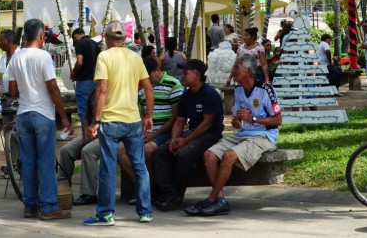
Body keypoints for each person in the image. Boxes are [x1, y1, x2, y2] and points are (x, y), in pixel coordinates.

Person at [184, 53, 282, 216]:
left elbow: (278, 120)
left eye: (236, 68)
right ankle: (220, 201)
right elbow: (237, 121)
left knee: (229, 155)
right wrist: (237, 122)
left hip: (263, 137)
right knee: (209, 154)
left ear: (249, 71)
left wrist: (254, 118)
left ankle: (210, 200)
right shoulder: (238, 91)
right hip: (243, 134)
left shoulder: (266, 90)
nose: (233, 72)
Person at [83, 20, 155, 226]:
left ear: (106, 37)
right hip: (133, 120)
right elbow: (148, 88)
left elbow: (102, 90)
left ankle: (105, 214)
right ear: (123, 39)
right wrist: (148, 116)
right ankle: (145, 211)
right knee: (139, 166)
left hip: (110, 120)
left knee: (107, 167)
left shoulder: (104, 57)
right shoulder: (135, 57)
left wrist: (96, 120)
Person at [7, 19, 74, 220]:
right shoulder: (44, 56)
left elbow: (12, 91)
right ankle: (49, 206)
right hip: (43, 114)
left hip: (23, 115)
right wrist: (64, 116)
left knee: (27, 161)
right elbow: (53, 87)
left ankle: (30, 206)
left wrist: (25, 95)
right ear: (41, 36)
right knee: (45, 162)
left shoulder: (16, 57)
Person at [154, 59, 224, 212]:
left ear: (197, 75)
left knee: (184, 154)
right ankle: (168, 193)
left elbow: (207, 124)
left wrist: (185, 141)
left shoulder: (210, 94)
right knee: (161, 152)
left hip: (210, 133)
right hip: (193, 132)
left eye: (186, 73)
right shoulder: (186, 95)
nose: (182, 76)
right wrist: (173, 140)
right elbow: (179, 121)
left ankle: (178, 196)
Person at [117, 57, 183, 202]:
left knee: (147, 149)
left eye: (148, 75)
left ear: (158, 70)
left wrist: (154, 135)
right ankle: (144, 187)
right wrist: (143, 130)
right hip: (148, 132)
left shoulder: (174, 85)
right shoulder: (144, 89)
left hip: (166, 132)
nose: (146, 78)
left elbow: (176, 116)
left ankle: (153, 189)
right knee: (120, 149)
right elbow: (141, 113)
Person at [58, 91, 100, 206]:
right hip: (90, 132)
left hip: (106, 134)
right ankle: (63, 189)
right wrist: (86, 134)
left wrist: (90, 138)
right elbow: (86, 117)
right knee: (66, 150)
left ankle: (89, 194)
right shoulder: (93, 93)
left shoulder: (111, 92)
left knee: (87, 151)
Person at [71, 28, 100, 124]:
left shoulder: (80, 44)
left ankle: (86, 134)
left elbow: (79, 62)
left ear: (75, 36)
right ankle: (93, 133)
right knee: (93, 108)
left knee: (83, 110)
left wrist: (74, 72)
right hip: (95, 80)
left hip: (84, 80)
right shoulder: (95, 44)